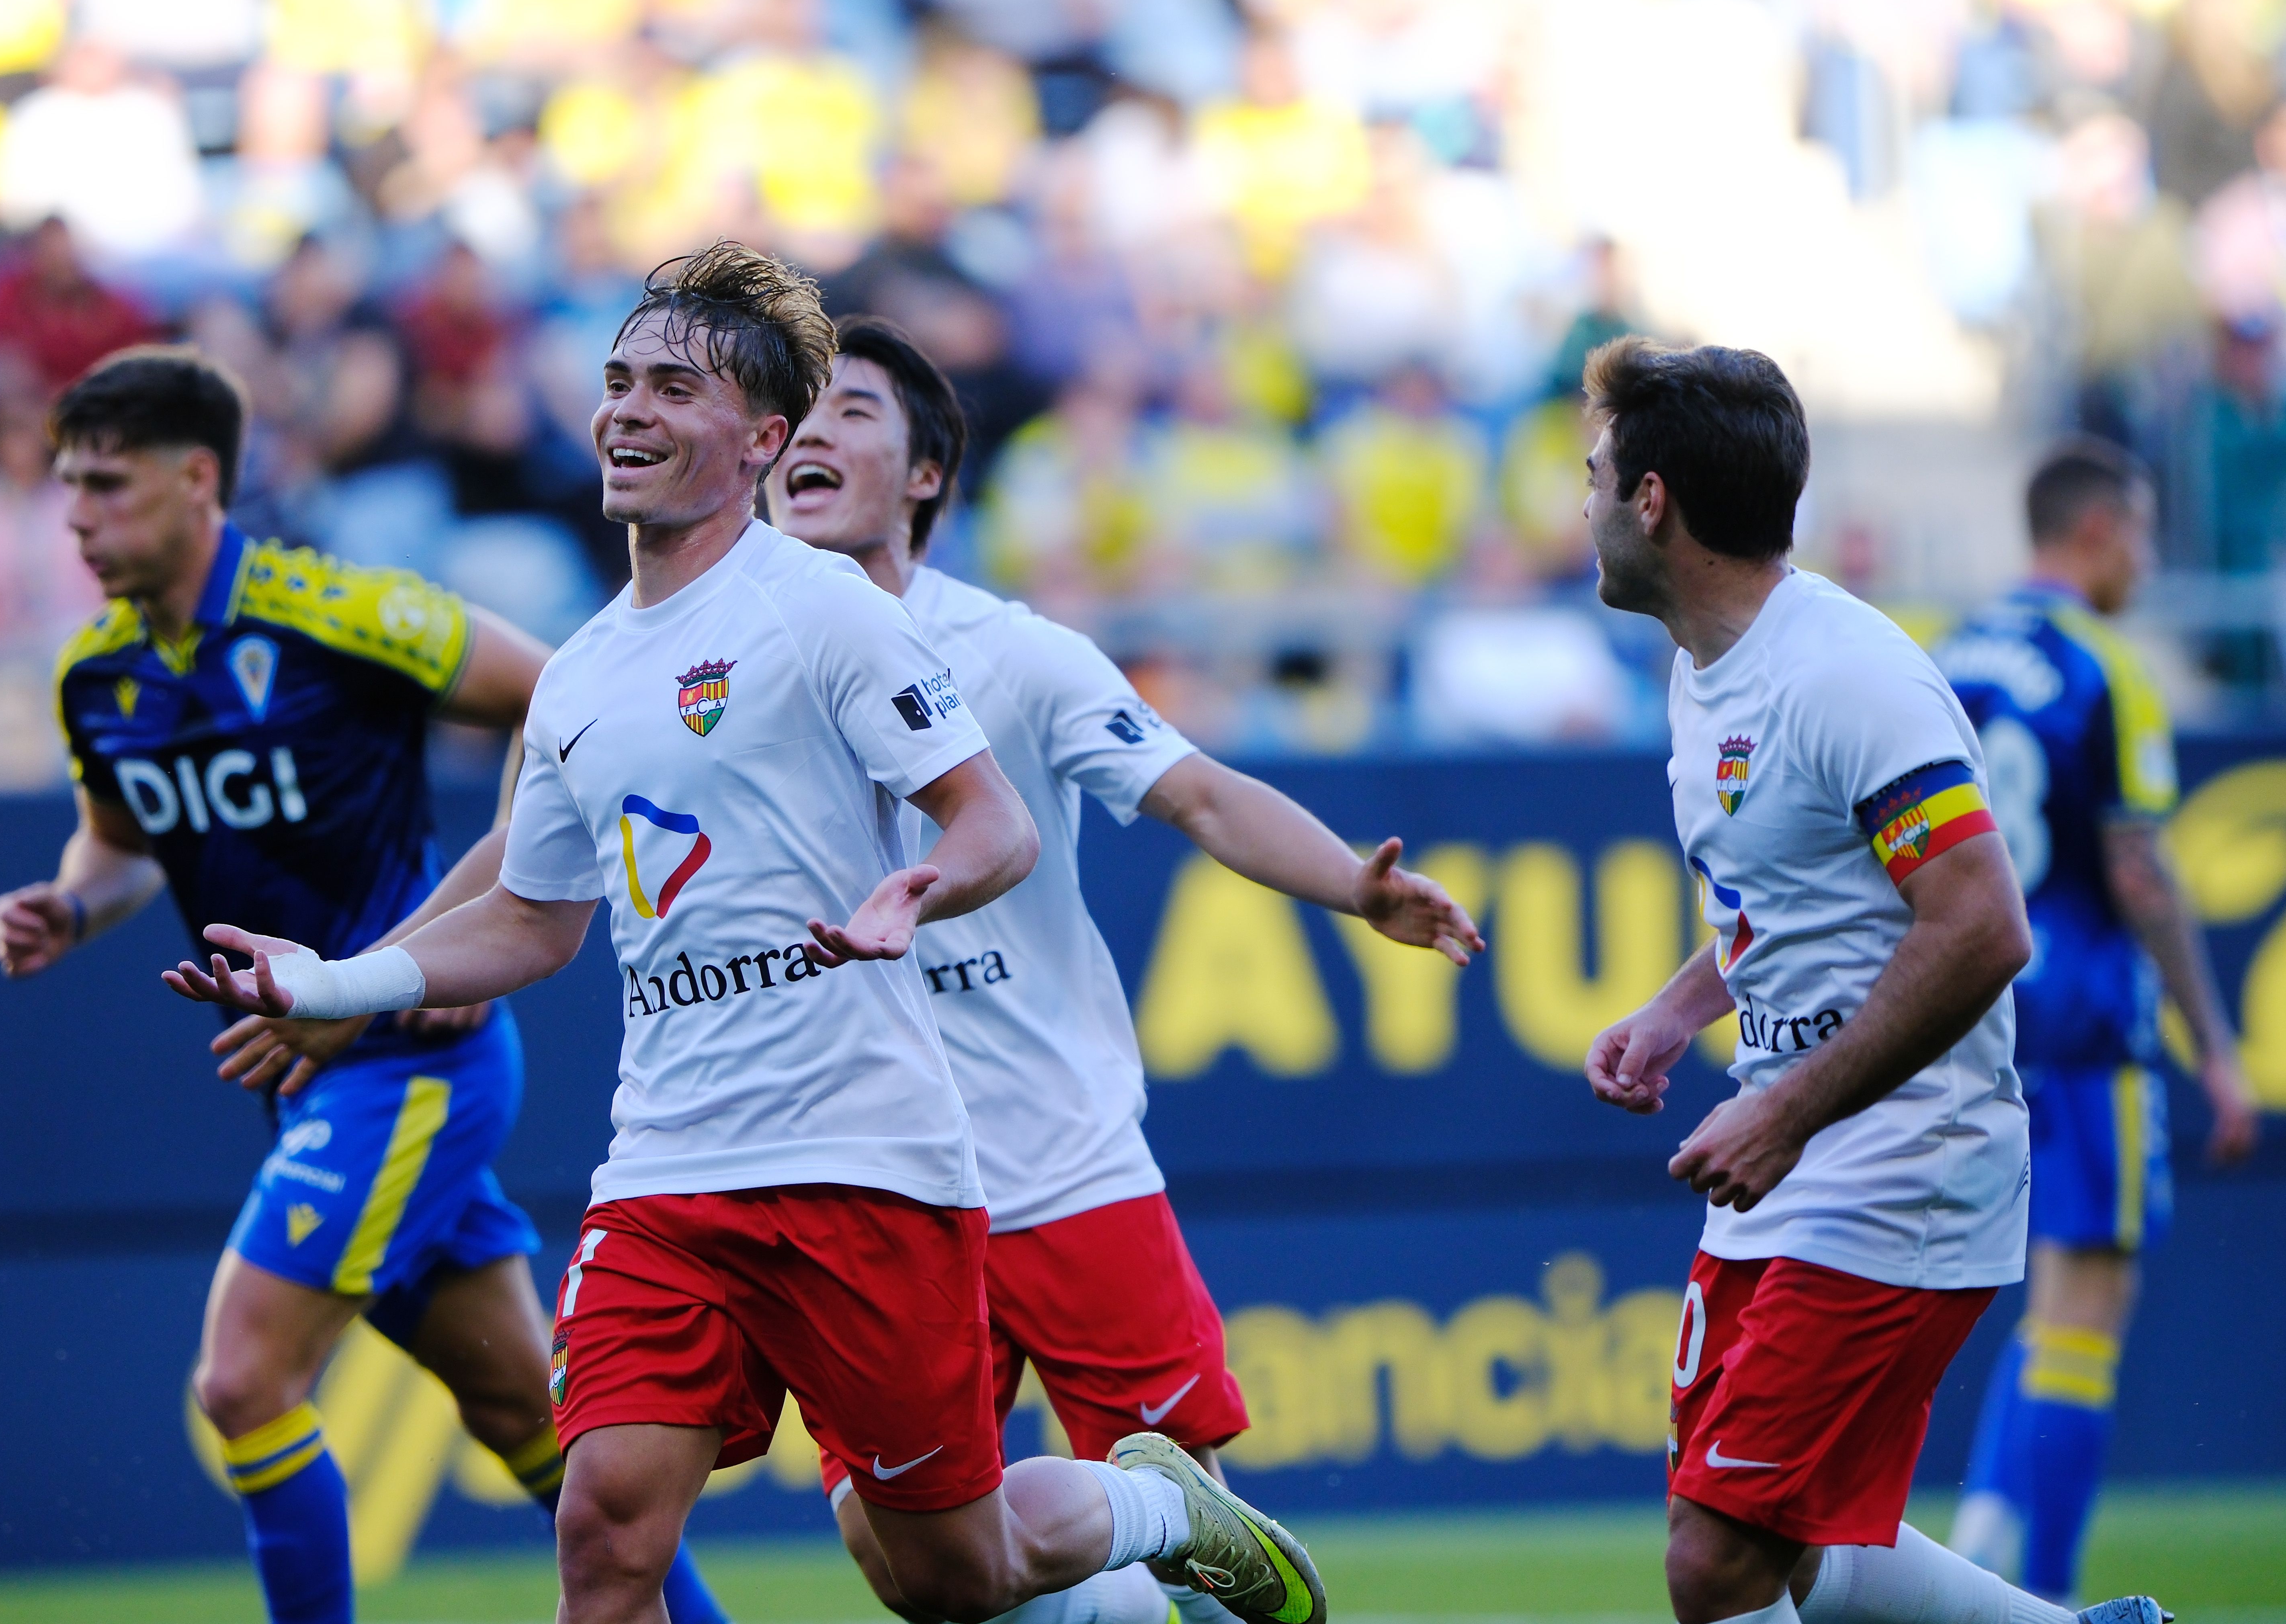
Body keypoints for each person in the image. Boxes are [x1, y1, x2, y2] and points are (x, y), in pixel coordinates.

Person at [165, 244, 1331, 1624]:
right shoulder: (580, 672)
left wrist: (917, 892)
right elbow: (533, 921)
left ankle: (1160, 1508)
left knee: (951, 1575)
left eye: (675, 388)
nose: (629, 410)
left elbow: (997, 824)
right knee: (604, 1534)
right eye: (619, 382)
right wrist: (337, 984)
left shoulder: (825, 608)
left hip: (863, 1160)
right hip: (669, 1165)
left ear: (763, 441)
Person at [0, 347, 729, 1624]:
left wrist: (467, 918)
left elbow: (567, 697)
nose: (79, 519)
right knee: (529, 1422)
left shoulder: (339, 614)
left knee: (242, 1381)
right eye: (70, 490)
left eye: (107, 485)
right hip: (304, 1076)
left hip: (411, 1063)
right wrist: (71, 903)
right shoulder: (96, 677)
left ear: (197, 479)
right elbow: (118, 845)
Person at [772, 317, 1484, 1624]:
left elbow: (1198, 793)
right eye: (796, 413)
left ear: (926, 474)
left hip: (1054, 1156)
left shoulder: (1015, 655)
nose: (812, 432)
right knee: (912, 1565)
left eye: (853, 410)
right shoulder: (724, 674)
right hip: (871, 1172)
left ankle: (1171, 1542)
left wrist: (1354, 885)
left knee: (1194, 1540)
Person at [1571, 336, 2171, 1624]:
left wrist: (1786, 1112)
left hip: (1905, 1152)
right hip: (1797, 1148)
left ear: (1653, 501)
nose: (1585, 506)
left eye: (1596, 477)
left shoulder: (1848, 674)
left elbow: (1983, 927)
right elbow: (1787, 901)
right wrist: (1679, 1011)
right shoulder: (1702, 668)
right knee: (1771, 1544)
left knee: (1715, 1559)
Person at [1939, 439, 2262, 1602]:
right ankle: (2052, 1597)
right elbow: (2139, 871)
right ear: (2094, 532)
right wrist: (2215, 1048)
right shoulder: (2104, 667)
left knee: (2044, 1306)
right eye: (2139, 532)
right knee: (2088, 1303)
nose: (2148, 558)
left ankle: (1982, 1543)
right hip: (2084, 1021)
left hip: (1971, 1015)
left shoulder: (1946, 659)